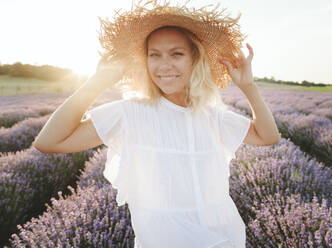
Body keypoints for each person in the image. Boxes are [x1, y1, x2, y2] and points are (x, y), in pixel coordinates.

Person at [33, 0, 280, 247]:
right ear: (145, 61)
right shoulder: (130, 114)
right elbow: (49, 142)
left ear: (194, 59)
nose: (164, 65)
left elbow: (268, 136)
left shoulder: (211, 116)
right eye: (154, 55)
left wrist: (248, 87)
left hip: (224, 239)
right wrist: (96, 83)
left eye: (177, 54)